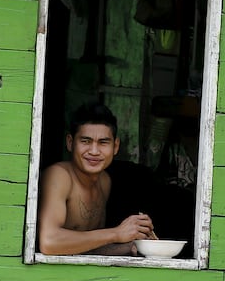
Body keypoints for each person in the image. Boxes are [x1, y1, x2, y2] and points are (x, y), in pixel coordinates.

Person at [37, 102, 157, 256]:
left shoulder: (104, 181)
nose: (94, 151)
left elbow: (87, 247)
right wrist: (116, 233)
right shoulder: (59, 176)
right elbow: (49, 243)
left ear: (115, 147)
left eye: (103, 143)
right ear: (70, 142)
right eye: (85, 141)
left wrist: (133, 244)